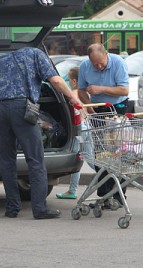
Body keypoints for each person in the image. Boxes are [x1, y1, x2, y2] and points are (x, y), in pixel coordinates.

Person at [0, 47, 82, 219]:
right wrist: (72, 98)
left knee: (7, 161)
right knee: (35, 159)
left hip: (1, 110)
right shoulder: (36, 54)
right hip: (22, 108)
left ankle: (12, 208)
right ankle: (39, 209)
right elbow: (56, 81)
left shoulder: (2, 59)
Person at [78, 43, 129, 208]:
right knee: (100, 153)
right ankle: (104, 195)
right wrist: (88, 105)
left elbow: (124, 90)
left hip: (117, 108)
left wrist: (101, 89)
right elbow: (80, 91)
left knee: (117, 152)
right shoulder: (85, 66)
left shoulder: (118, 62)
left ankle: (119, 195)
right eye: (95, 64)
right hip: (97, 110)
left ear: (106, 54)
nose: (99, 66)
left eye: (101, 63)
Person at [56, 67, 95, 199]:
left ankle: (106, 177)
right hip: (87, 127)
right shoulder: (85, 93)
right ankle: (72, 190)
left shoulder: (74, 94)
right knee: (82, 157)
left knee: (85, 157)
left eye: (69, 79)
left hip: (80, 131)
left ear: (73, 80)